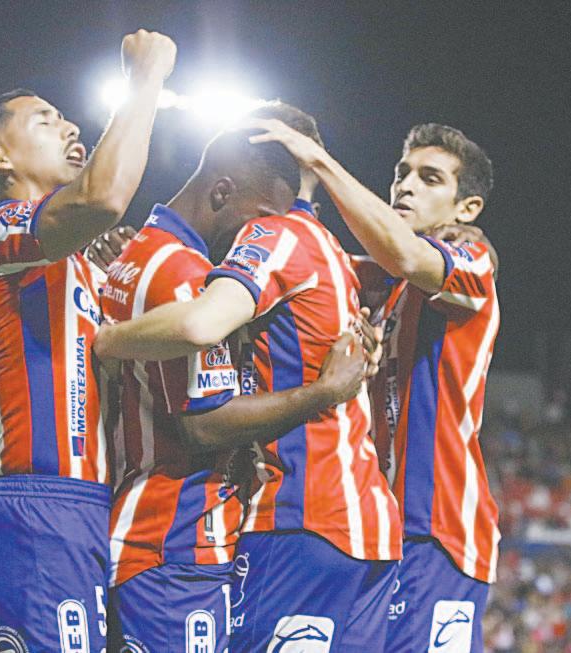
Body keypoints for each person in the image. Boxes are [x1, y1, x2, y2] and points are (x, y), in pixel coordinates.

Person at [94, 104, 402, 652]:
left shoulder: (272, 233)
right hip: (368, 525)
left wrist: (107, 339)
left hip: (297, 516)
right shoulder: (334, 252)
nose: (244, 235)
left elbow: (200, 325)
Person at [0, 30, 176, 652]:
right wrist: (144, 81)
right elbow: (102, 198)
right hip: (41, 505)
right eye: (46, 120)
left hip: (104, 507)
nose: (71, 127)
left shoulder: (88, 266)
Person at [248, 119, 499, 652]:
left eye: (430, 178)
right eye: (402, 173)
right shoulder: (381, 281)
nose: (406, 186)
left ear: (468, 209)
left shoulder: (473, 264)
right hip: (370, 526)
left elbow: (404, 253)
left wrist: (319, 162)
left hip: (438, 528)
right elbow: (302, 256)